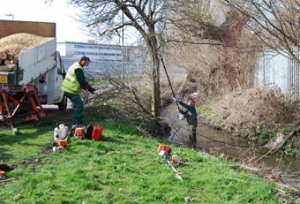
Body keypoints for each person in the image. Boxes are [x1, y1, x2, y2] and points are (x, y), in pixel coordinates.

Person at [61, 55, 96, 129]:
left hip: (68, 89)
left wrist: (88, 88)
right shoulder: (78, 68)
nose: (86, 64)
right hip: (71, 90)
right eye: (86, 62)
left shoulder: (76, 65)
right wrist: (90, 88)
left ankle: (78, 122)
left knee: (78, 105)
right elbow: (82, 81)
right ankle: (75, 124)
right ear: (82, 61)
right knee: (79, 106)